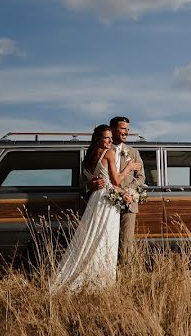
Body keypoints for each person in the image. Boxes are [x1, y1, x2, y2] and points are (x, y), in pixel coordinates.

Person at [50, 124, 136, 292]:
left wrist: (125, 193)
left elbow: (104, 183)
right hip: (106, 202)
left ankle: (89, 277)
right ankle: (100, 283)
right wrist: (128, 168)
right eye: (106, 137)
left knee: (92, 237)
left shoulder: (88, 158)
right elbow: (116, 181)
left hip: (95, 199)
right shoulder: (109, 153)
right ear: (98, 139)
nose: (110, 141)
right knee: (105, 239)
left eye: (111, 138)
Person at [109, 115, 145, 264]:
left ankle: (125, 273)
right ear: (112, 129)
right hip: (107, 202)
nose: (126, 132)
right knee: (108, 238)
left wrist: (129, 192)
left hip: (129, 204)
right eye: (123, 128)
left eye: (128, 129)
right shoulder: (104, 150)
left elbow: (141, 177)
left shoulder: (133, 152)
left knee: (126, 241)